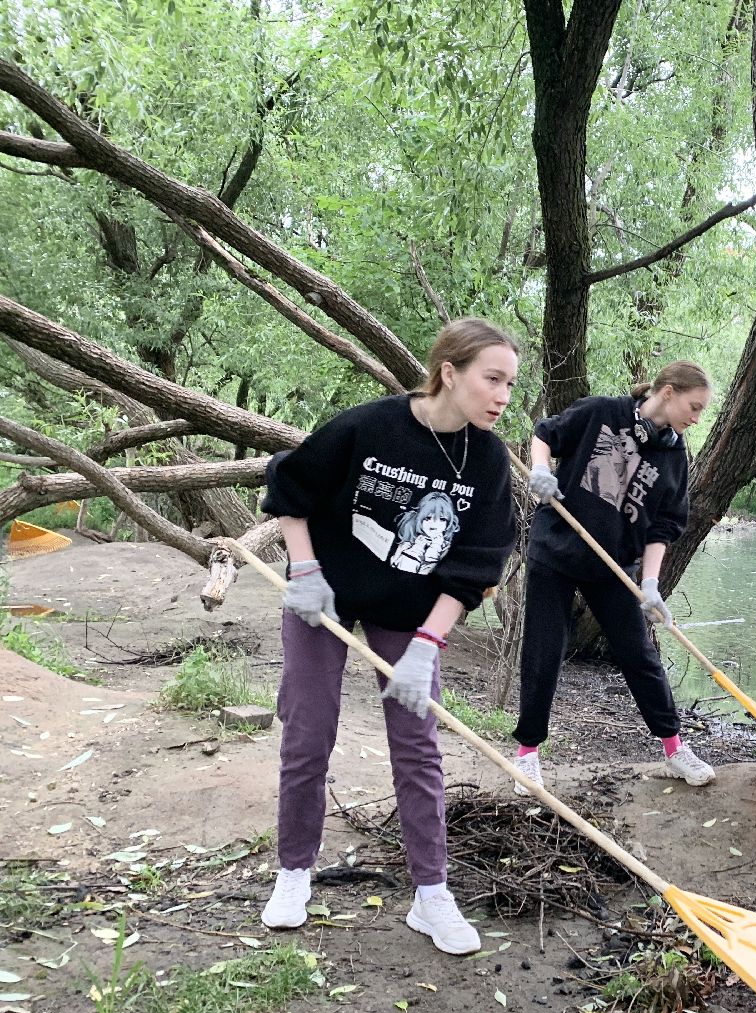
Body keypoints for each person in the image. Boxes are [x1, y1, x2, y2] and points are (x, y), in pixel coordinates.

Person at [257, 317, 519, 955]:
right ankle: (294, 872)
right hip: (325, 594)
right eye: (492, 380)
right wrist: (306, 569)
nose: (503, 397)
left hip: (410, 610)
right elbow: (289, 482)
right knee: (310, 728)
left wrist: (428, 647)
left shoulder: (486, 459)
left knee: (418, 744)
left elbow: (477, 563)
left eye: (510, 384)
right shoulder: (370, 426)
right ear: (449, 373)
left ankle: (432, 894)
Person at [512, 361, 715, 793]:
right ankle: (528, 756)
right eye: (693, 407)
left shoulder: (675, 454)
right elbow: (545, 434)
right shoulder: (601, 411)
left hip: (612, 566)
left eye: (701, 412)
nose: (696, 418)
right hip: (556, 550)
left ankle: (674, 748)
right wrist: (542, 470)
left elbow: (663, 527)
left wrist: (651, 583)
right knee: (544, 650)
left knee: (638, 654)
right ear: (668, 392)